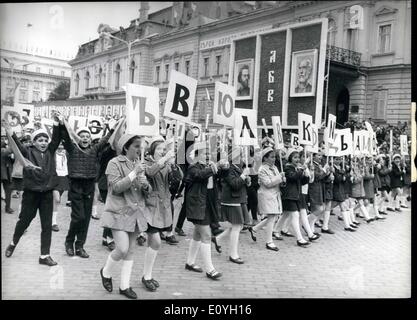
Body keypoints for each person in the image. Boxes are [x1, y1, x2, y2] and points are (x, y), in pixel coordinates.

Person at [4, 115, 62, 266]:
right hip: (31, 194)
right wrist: (11, 132)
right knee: (24, 222)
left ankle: (44, 256)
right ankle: (13, 243)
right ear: (34, 142)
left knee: (47, 225)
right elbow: (17, 145)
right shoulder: (27, 152)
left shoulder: (50, 151)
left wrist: (56, 123)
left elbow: (56, 138)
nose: (43, 143)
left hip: (47, 195)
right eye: (40, 140)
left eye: (45, 140)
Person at [99, 134, 150, 299]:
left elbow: (147, 191)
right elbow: (115, 188)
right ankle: (106, 272)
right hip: (118, 212)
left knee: (131, 250)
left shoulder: (140, 164)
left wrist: (146, 185)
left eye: (141, 146)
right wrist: (134, 174)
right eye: (136, 146)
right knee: (122, 248)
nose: (140, 150)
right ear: (126, 147)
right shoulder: (114, 163)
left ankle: (124, 286)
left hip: (136, 213)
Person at [61, 121, 117, 258]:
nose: (85, 138)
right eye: (82, 136)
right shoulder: (72, 148)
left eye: (87, 136)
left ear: (90, 139)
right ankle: (69, 242)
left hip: (89, 185)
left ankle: (80, 246)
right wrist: (62, 124)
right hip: (76, 185)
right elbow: (66, 138)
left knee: (86, 219)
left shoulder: (94, 149)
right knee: (78, 217)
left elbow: (105, 140)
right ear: (77, 138)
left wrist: (114, 127)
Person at [141, 136, 176, 291]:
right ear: (152, 151)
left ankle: (147, 275)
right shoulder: (145, 162)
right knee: (155, 242)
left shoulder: (166, 162)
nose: (163, 152)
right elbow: (151, 172)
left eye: (164, 149)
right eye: (160, 149)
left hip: (162, 207)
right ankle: (146, 276)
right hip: (149, 207)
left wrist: (174, 166)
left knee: (154, 243)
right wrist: (164, 160)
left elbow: (177, 179)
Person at [184, 144, 223, 280]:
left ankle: (190, 262)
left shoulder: (210, 166)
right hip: (198, 205)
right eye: (204, 153)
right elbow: (201, 175)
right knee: (206, 235)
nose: (207, 156)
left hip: (208, 205)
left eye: (209, 153)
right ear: (197, 155)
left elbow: (219, 177)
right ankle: (210, 269)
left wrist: (224, 166)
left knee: (198, 234)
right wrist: (215, 166)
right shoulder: (193, 167)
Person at [213, 146, 247, 263]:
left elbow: (240, 184)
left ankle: (218, 239)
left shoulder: (238, 167)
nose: (242, 158)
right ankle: (233, 254)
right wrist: (243, 177)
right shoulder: (229, 168)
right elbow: (234, 184)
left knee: (238, 226)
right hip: (232, 200)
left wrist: (246, 180)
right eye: (239, 156)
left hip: (238, 199)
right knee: (237, 226)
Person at [248, 147, 285, 251]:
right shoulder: (262, 169)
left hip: (275, 195)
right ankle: (269, 241)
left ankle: (254, 229)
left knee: (273, 217)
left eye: (274, 157)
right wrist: (279, 178)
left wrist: (283, 180)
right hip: (266, 195)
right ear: (265, 158)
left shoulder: (275, 168)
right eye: (272, 157)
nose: (274, 159)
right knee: (272, 217)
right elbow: (268, 183)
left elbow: (278, 181)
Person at [275, 148, 311, 247]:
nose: (297, 159)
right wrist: (302, 170)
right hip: (289, 195)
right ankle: (299, 238)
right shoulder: (287, 168)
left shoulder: (297, 168)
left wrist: (306, 176)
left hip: (295, 195)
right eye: (295, 157)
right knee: (295, 215)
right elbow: (293, 177)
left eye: (298, 157)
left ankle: (275, 230)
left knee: (285, 214)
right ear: (290, 158)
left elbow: (302, 181)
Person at [97, 143, 116, 251]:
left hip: (115, 185)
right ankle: (109, 238)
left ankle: (105, 237)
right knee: (112, 211)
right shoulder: (107, 153)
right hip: (106, 185)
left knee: (111, 211)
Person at [51, 143, 69, 232]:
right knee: (56, 199)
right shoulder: (52, 154)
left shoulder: (66, 154)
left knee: (55, 201)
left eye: (62, 145)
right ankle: (53, 222)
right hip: (54, 177)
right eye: (58, 146)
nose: (60, 148)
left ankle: (52, 220)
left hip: (64, 178)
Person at [1, 139, 14, 213]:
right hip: (5, 174)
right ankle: (7, 208)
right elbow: (10, 150)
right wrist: (13, 141)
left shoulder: (4, 152)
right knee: (8, 192)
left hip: (6, 174)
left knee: (8, 192)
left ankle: (8, 207)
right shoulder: (3, 151)